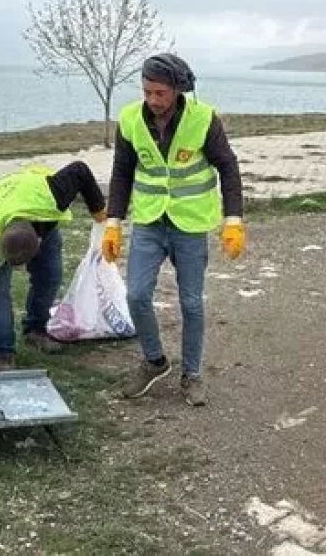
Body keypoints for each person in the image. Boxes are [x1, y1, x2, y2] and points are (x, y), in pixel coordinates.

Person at [101, 53, 245, 406]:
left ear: (179, 90)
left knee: (191, 303)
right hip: (150, 221)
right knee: (135, 295)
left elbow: (227, 166)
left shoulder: (203, 120)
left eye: (160, 93)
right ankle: (154, 361)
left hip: (190, 225)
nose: (153, 100)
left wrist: (234, 220)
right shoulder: (130, 120)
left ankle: (192, 374)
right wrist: (113, 222)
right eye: (147, 91)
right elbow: (122, 172)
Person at [0, 161, 107, 371]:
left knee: (50, 274)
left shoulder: (52, 197)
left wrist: (99, 211)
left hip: (28, 195)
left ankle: (36, 329)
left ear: (38, 240)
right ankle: (2, 352)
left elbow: (80, 169)